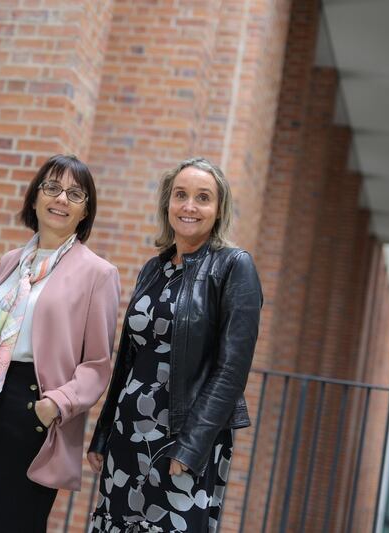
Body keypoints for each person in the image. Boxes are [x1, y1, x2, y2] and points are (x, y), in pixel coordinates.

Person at [0, 155, 121, 533]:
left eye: (75, 194)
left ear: (85, 211)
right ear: (35, 198)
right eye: (52, 188)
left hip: (32, 408)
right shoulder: (11, 262)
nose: (61, 199)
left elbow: (97, 365)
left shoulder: (98, 274)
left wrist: (54, 405)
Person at [87, 157, 263, 533]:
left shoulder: (234, 267)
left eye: (203, 198)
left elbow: (232, 370)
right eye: (180, 195)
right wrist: (103, 433)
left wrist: (191, 445)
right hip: (128, 432)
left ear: (219, 210)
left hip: (180, 441)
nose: (189, 206)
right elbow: (128, 359)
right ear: (167, 203)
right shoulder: (154, 269)